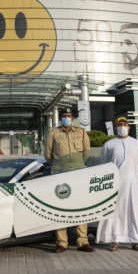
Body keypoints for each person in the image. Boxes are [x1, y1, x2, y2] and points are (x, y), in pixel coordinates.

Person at [44, 107, 94, 253]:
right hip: (60, 176)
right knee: (60, 209)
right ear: (60, 118)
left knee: (80, 208)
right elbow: (48, 155)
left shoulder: (81, 132)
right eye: (64, 116)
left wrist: (77, 165)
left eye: (69, 115)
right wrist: (60, 165)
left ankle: (82, 241)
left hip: (78, 175)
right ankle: (62, 242)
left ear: (73, 118)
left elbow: (87, 152)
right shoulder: (53, 133)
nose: (67, 117)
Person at [96, 117, 138, 252]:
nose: (122, 126)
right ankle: (115, 239)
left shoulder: (136, 144)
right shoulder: (109, 144)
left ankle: (135, 240)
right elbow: (103, 164)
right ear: (116, 127)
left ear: (129, 127)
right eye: (119, 124)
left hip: (132, 184)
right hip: (114, 184)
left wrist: (131, 176)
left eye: (125, 124)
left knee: (133, 211)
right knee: (115, 212)